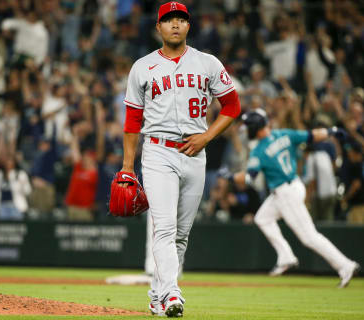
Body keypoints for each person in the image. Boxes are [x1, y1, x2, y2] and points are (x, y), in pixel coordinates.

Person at [120, 2, 241, 317]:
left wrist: (207, 137)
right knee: (164, 227)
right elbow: (132, 122)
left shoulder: (207, 63)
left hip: (195, 153)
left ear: (189, 26)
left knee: (181, 234)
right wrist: (127, 166)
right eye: (168, 20)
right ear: (158, 27)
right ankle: (172, 294)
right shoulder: (142, 67)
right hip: (158, 151)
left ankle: (157, 295)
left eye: (181, 20)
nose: (175, 24)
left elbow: (232, 106)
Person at [232, 109, 359, 288]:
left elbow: (247, 179)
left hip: (285, 194)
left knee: (309, 237)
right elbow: (312, 135)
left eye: (248, 126)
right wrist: (331, 131)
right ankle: (286, 256)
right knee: (262, 218)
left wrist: (230, 177)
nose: (246, 130)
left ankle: (345, 265)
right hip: (293, 186)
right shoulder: (283, 133)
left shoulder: (259, 150)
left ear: (254, 128)